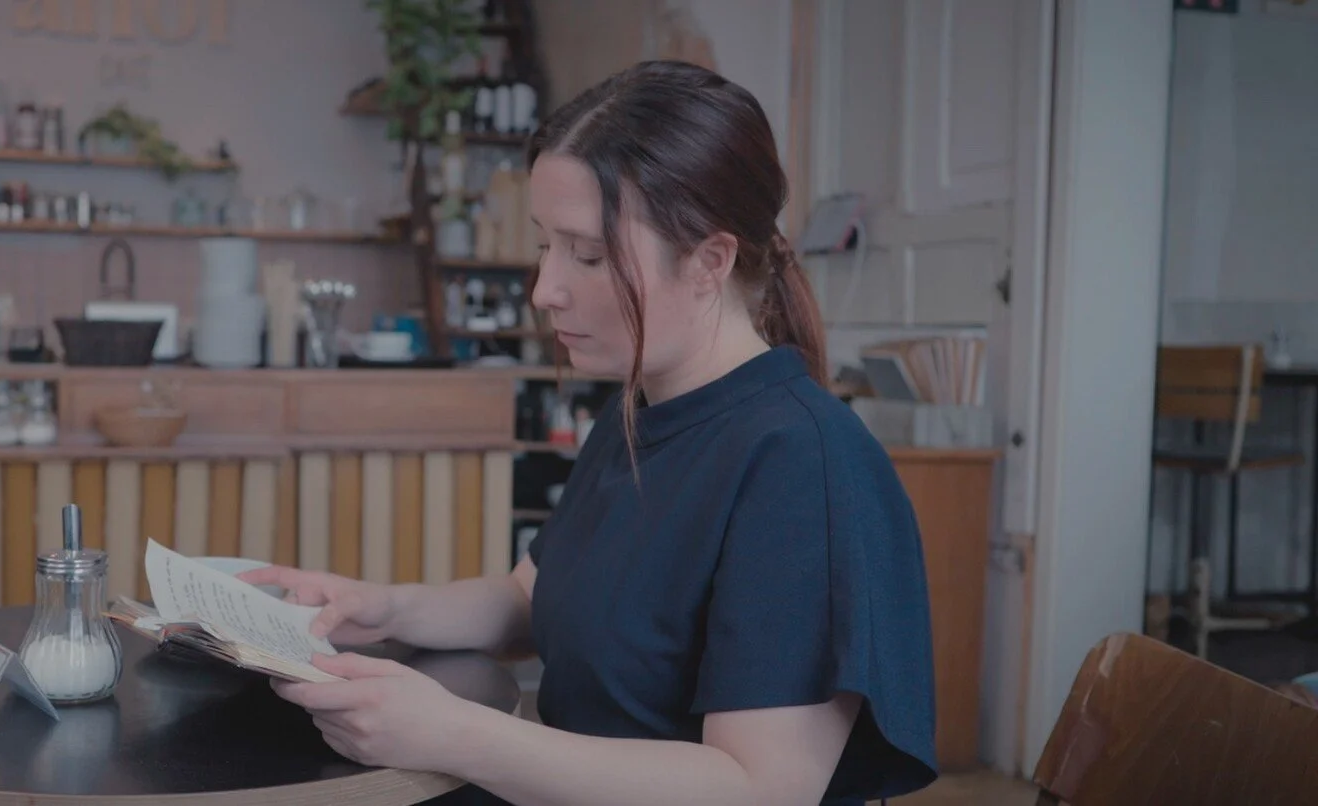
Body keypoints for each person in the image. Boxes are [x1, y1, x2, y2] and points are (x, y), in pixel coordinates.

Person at [239, 59, 938, 806]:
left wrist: (454, 733)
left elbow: (758, 788)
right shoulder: (638, 410)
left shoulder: (804, 465)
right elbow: (528, 595)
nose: (545, 289)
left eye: (590, 255)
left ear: (710, 261)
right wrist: (388, 608)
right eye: (545, 245)